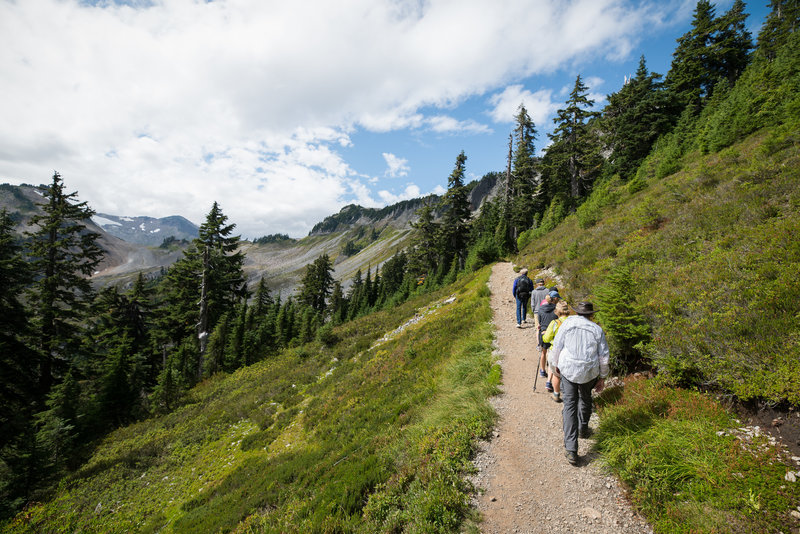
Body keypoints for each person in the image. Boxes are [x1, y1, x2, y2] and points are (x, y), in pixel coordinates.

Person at [550, 301, 609, 466]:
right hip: (588, 372)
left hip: (568, 369)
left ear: (577, 312)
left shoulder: (567, 323)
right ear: (591, 314)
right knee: (585, 397)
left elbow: (557, 347)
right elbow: (603, 356)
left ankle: (571, 450)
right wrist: (602, 377)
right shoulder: (597, 329)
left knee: (569, 405)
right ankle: (583, 429)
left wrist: (555, 368)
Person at [542, 300, 569, 402]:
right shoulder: (571, 321)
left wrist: (543, 334)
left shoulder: (555, 323)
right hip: (568, 352)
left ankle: (556, 394)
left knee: (556, 374)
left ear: (557, 310)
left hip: (555, 352)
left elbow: (547, 339)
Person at [536, 290, 559, 382]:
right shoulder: (557, 309)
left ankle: (542, 370)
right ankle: (551, 374)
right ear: (555, 299)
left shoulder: (541, 308)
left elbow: (539, 322)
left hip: (543, 332)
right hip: (553, 333)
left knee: (543, 353)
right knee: (551, 353)